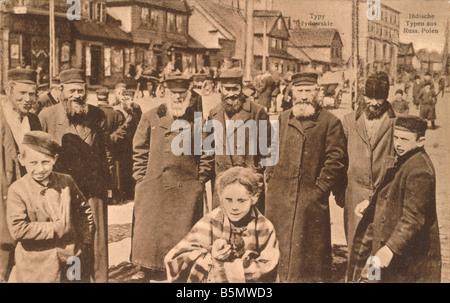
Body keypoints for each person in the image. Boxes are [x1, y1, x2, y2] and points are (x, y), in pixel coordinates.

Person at [264, 72, 347, 282]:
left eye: (308, 91)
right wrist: (270, 177)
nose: (303, 96)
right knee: (277, 248)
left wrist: (319, 189)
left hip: (310, 199)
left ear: (317, 93)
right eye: (299, 91)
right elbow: (272, 150)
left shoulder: (330, 122)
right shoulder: (283, 118)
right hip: (280, 198)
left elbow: (336, 160)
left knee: (309, 255)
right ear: (291, 93)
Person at [131, 72, 212, 280]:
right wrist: (142, 177)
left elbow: (207, 152)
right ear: (165, 93)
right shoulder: (150, 116)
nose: (177, 97)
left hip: (185, 189)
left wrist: (200, 180)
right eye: (173, 93)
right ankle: (147, 267)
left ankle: (180, 268)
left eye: (182, 93)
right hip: (153, 185)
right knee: (149, 229)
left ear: (188, 95)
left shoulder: (197, 120)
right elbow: (139, 148)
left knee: (181, 231)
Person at [347, 116, 441, 283]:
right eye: (396, 137)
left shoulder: (419, 169)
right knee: (368, 277)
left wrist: (391, 248)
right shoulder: (404, 158)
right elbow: (391, 191)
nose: (397, 144)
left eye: (404, 139)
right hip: (382, 243)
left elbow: (413, 218)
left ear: (421, 141)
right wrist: (370, 202)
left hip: (401, 253)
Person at [39, 68, 112, 282]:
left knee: (96, 238)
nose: (77, 96)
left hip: (93, 188)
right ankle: (73, 278)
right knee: (70, 238)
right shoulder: (47, 117)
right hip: (62, 189)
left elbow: (105, 152)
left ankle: (99, 278)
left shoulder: (97, 115)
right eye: (72, 91)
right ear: (61, 90)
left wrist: (107, 184)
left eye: (81, 90)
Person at [164, 167, 279, 283]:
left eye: (241, 200)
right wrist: (210, 256)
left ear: (254, 199)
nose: (234, 207)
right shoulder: (210, 221)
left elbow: (269, 265)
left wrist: (232, 269)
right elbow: (174, 259)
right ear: (220, 197)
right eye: (229, 200)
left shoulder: (263, 226)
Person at [6, 131, 94, 282]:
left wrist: (84, 242)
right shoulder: (17, 189)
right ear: (21, 160)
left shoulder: (67, 182)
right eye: (33, 163)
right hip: (35, 265)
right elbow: (18, 228)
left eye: (45, 162)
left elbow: (85, 212)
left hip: (71, 257)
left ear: (55, 159)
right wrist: (56, 228)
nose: (40, 169)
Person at [342, 72, 396, 255]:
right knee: (355, 244)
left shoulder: (396, 122)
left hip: (384, 194)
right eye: (368, 97)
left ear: (386, 97)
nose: (373, 103)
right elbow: (341, 159)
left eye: (378, 99)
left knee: (378, 245)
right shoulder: (349, 121)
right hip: (355, 194)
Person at [206, 68, 271, 212]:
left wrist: (256, 176)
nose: (230, 94)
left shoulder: (257, 112)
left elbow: (267, 150)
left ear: (241, 88)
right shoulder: (214, 113)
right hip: (221, 184)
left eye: (234, 89)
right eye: (226, 89)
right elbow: (208, 150)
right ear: (220, 89)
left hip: (247, 184)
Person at [0, 69, 43, 282]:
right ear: (9, 90)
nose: (28, 100)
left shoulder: (33, 121)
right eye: (22, 93)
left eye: (32, 94)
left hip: (26, 198)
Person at [96, 87, 129, 203]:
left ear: (97, 97)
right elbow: (123, 129)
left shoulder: (93, 113)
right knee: (114, 170)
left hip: (97, 148)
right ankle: (115, 196)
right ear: (107, 98)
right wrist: (112, 138)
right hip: (113, 147)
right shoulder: (115, 113)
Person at [114, 88, 142, 200]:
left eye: (131, 99)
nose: (129, 101)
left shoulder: (136, 109)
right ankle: (122, 192)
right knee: (121, 168)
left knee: (131, 167)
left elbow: (140, 122)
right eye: (127, 99)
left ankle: (130, 192)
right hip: (121, 144)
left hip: (132, 142)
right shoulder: (117, 110)